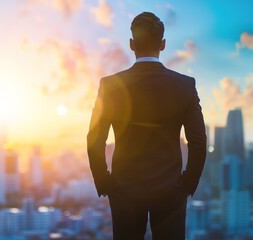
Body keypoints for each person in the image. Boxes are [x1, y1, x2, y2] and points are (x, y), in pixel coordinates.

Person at [87, 12, 207, 240]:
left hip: (124, 190)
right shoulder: (185, 86)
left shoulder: (110, 86)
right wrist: (187, 184)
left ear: (131, 44)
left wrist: (104, 182)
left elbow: (94, 139)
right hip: (171, 190)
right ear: (163, 44)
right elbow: (199, 142)